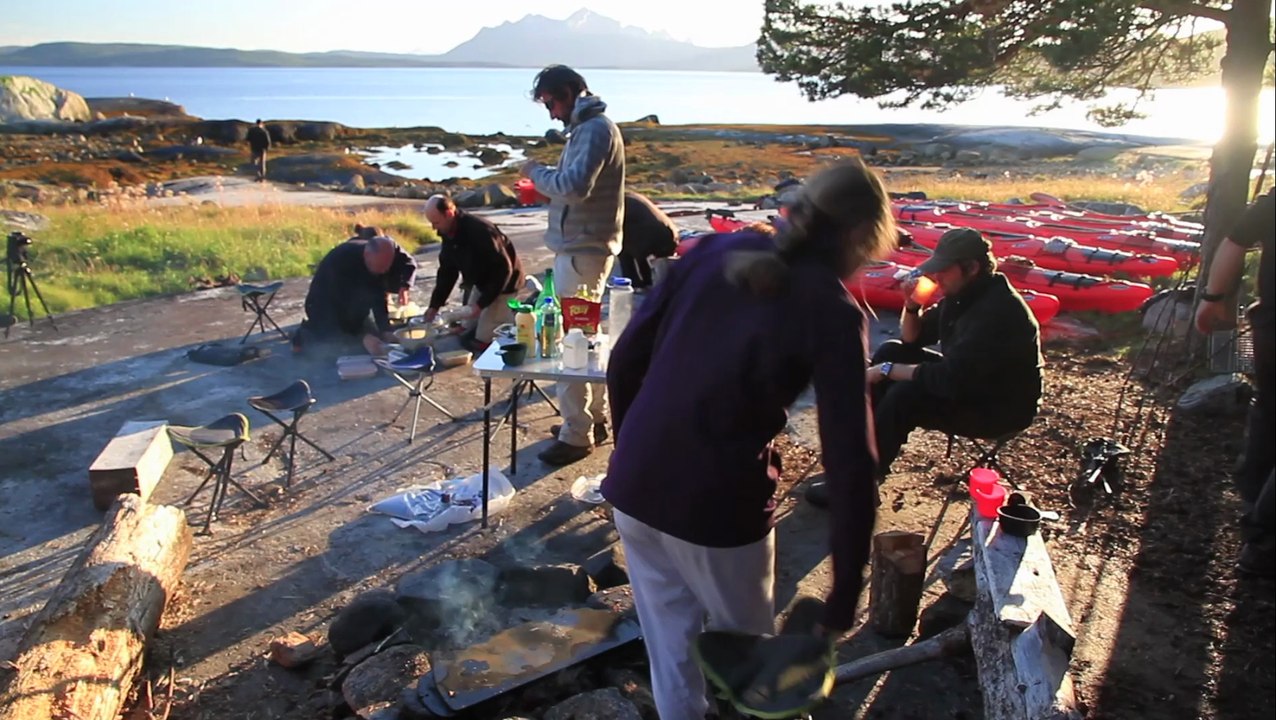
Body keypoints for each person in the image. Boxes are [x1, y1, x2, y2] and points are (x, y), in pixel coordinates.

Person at [601, 161, 894, 720]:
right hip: (717, 505)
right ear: (859, 237)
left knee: (669, 650)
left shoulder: (711, 252)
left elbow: (623, 362)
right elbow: (852, 462)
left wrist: (631, 449)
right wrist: (842, 597)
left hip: (635, 485)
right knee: (763, 678)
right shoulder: (831, 308)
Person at [809, 227, 1043, 506]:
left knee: (904, 395)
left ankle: (859, 485)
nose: (937, 276)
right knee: (890, 351)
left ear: (971, 268)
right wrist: (912, 306)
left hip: (999, 406)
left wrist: (886, 371)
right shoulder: (963, 295)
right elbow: (913, 339)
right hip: (972, 383)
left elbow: (949, 379)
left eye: (944, 270)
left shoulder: (997, 311)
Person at [520, 64, 625, 466]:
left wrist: (535, 172)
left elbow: (573, 187)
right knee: (589, 340)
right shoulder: (589, 128)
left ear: (569, 92)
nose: (551, 113)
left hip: (583, 253)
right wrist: (545, 190)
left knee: (572, 343)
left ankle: (576, 435)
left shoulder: (595, 129)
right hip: (586, 250)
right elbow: (574, 188)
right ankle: (593, 422)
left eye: (551, 102)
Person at [1196, 187, 1274, 577]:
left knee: (1268, 408)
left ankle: (1253, 496)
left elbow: (1234, 241)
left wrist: (1213, 297)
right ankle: (1262, 540)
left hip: (1270, 327)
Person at [422, 194, 525, 351]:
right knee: (465, 329)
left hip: (504, 284)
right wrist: (434, 305)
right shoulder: (448, 232)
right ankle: (492, 316)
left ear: (449, 213)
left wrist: (481, 304)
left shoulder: (480, 230)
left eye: (436, 222)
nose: (434, 228)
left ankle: (517, 314)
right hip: (481, 283)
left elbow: (504, 270)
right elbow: (447, 272)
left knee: (482, 341)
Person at [294, 234, 417, 355]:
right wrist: (361, 338)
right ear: (366, 255)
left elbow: (378, 296)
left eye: (386, 268)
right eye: (380, 267)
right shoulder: (341, 263)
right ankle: (306, 334)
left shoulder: (379, 258)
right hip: (322, 307)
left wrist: (385, 329)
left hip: (352, 308)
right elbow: (334, 310)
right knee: (338, 346)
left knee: (376, 339)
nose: (383, 271)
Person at [620, 190, 679, 289]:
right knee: (634, 243)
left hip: (647, 239)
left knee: (621, 249)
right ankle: (648, 282)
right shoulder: (632, 196)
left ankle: (633, 283)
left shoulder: (619, 201)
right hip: (670, 235)